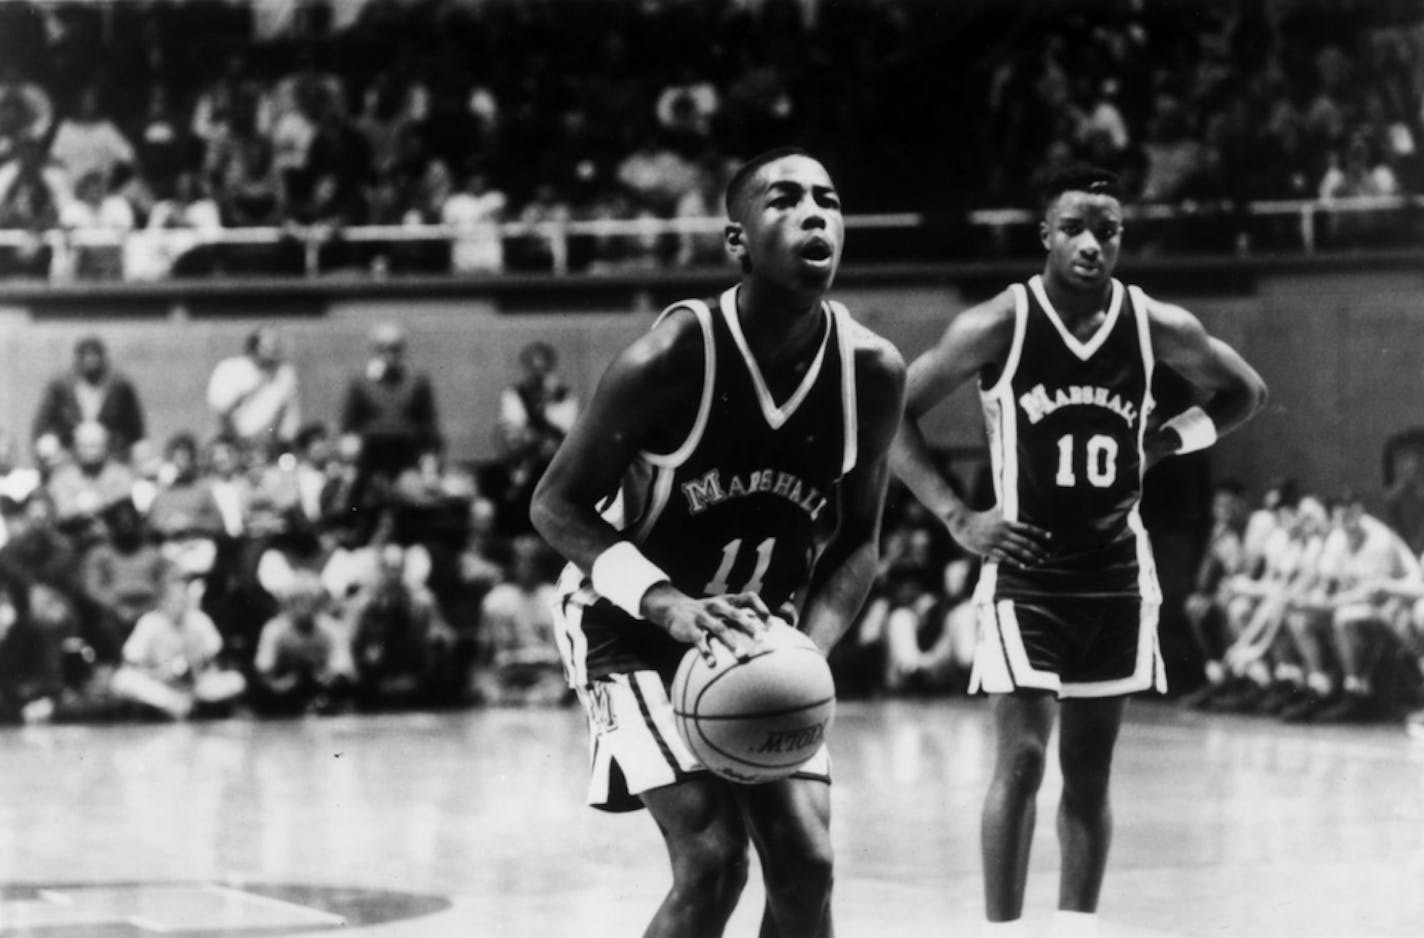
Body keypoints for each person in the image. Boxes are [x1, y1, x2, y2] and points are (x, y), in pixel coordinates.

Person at [531, 147, 906, 938]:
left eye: (829, 200)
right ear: (737, 240)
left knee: (807, 867)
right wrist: (667, 606)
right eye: (786, 199)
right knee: (713, 861)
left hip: (755, 632)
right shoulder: (672, 357)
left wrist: (805, 649)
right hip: (629, 619)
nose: (815, 214)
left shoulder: (871, 371)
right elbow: (556, 506)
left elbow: (858, 545)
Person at [889, 164, 1267, 937]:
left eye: (1108, 230)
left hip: (1118, 575)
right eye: (1075, 229)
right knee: (1022, 763)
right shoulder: (1001, 321)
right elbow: (891, 416)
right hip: (1027, 573)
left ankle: (1075, 930)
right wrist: (958, 517)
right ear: (1046, 236)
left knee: (1089, 777)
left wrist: (1164, 443)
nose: (1092, 244)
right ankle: (1001, 931)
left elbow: (1245, 393)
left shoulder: (1154, 322)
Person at [32, 336, 149, 466]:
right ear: (78, 359)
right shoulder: (61, 385)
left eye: (95, 355)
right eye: (86, 356)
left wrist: (138, 446)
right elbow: (43, 422)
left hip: (111, 451)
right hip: (69, 449)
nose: (91, 360)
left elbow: (135, 425)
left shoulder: (119, 385)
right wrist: (47, 444)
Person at [206, 327, 303, 449]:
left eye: (276, 346)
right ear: (253, 347)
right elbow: (221, 410)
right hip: (232, 442)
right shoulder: (228, 368)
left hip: (269, 444)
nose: (274, 351)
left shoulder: (285, 373)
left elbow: (288, 414)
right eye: (268, 347)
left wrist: (278, 439)